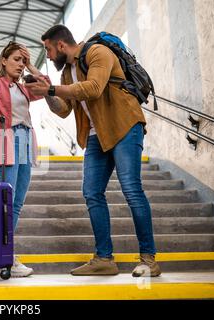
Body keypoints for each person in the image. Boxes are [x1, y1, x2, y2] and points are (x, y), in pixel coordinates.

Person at [25, 25, 161, 277]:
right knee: (91, 192)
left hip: (124, 126)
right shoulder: (67, 72)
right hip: (96, 135)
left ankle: (149, 259)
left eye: (49, 50)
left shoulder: (97, 52)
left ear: (61, 45)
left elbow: (93, 88)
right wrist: (45, 91)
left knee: (131, 189)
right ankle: (104, 258)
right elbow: (64, 108)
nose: (49, 56)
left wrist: (51, 88)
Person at [0, 41, 44, 277]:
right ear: (3, 60)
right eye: (16, 59)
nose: (20, 65)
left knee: (17, 202)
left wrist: (32, 67)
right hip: (6, 138)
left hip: (25, 140)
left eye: (23, 61)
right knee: (3, 200)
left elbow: (46, 87)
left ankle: (4, 253)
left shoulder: (24, 87)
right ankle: (2, 256)